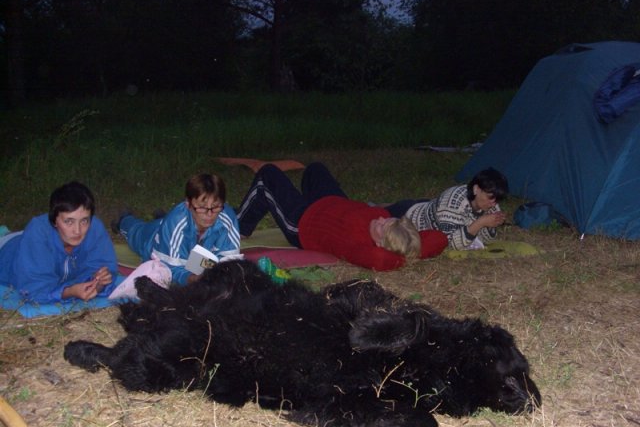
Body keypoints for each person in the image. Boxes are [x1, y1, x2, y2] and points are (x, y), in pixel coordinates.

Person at [236, 162, 448, 271]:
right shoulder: (394, 233)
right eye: (387, 219)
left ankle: (239, 226)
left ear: (380, 244)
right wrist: (412, 251)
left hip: (304, 222)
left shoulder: (357, 247)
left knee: (268, 175)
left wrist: (399, 258)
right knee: (315, 169)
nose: (382, 218)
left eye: (383, 226)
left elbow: (380, 260)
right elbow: (439, 238)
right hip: (333, 201)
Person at [0, 181, 118, 303]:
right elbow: (33, 288)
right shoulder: (38, 233)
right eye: (69, 221)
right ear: (54, 220)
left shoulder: (95, 228)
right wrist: (69, 292)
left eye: (84, 221)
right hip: (6, 247)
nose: (77, 231)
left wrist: (98, 284)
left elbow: (103, 268)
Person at [113, 173, 241, 285]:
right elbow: (170, 270)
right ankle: (124, 220)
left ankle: (161, 217)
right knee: (137, 232)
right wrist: (192, 279)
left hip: (194, 255)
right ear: (188, 204)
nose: (209, 214)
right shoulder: (176, 224)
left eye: (215, 207)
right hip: (154, 239)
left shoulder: (227, 217)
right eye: (202, 207)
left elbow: (230, 262)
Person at [384, 168, 509, 250]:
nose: (494, 203)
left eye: (497, 199)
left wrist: (491, 225)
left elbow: (485, 240)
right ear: (476, 189)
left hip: (430, 206)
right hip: (410, 214)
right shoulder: (453, 201)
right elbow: (449, 243)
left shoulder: (490, 204)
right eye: (490, 197)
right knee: (378, 212)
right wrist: (481, 222)